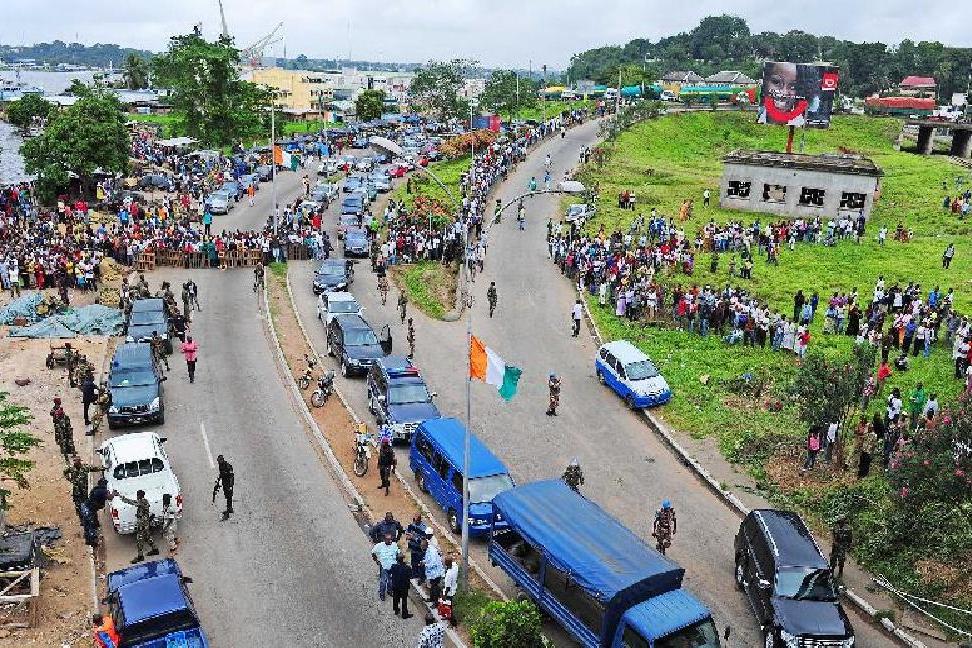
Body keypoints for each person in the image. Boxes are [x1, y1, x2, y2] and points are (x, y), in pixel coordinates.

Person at [113, 489, 159, 563]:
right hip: (145, 523)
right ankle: (155, 549)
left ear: (139, 496)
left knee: (139, 540)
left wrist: (119, 495)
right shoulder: (144, 501)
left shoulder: (142, 502)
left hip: (142, 525)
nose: (137, 497)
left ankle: (140, 556)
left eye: (137, 495)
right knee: (148, 537)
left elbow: (130, 502)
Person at [371, 532, 399, 602]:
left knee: (391, 580)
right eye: (388, 539)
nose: (390, 541)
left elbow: (398, 553)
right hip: (384, 567)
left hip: (393, 567)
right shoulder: (379, 546)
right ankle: (382, 594)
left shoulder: (394, 545)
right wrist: (376, 560)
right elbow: (373, 553)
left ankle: (389, 591)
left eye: (391, 539)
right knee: (383, 581)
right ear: (384, 539)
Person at [406, 513, 428, 584]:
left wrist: (413, 538)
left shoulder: (424, 528)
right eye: (414, 520)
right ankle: (414, 574)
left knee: (420, 563)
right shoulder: (411, 525)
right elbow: (407, 534)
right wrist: (410, 536)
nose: (415, 522)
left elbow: (423, 540)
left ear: (419, 520)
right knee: (412, 561)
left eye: (416, 520)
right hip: (411, 547)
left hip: (419, 549)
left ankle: (421, 577)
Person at [390, 553, 414, 618]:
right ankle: (404, 614)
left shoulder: (393, 566)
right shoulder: (407, 568)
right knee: (404, 600)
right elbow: (411, 576)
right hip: (404, 587)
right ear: (403, 559)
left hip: (395, 586)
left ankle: (396, 609)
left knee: (395, 598)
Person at [215, 454, 234, 520]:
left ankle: (228, 514)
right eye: (218, 461)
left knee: (229, 496)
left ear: (222, 460)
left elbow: (231, 476)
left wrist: (230, 486)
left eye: (219, 461)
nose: (218, 462)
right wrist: (218, 480)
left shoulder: (227, 466)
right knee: (227, 496)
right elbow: (221, 473)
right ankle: (230, 509)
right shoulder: (220, 465)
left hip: (228, 483)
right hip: (225, 482)